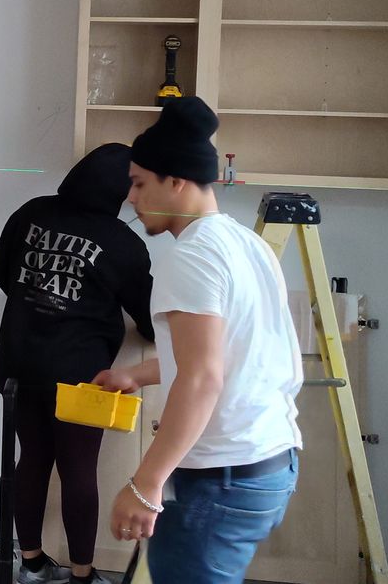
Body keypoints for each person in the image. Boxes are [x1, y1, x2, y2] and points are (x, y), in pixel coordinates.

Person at [98, 97, 304, 583]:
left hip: (221, 479)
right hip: (268, 465)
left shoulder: (190, 257)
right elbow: (229, 354)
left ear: (176, 181)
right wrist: (137, 373)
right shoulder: (244, 243)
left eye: (138, 182)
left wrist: (146, 485)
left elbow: (202, 378)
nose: (130, 197)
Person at [0, 143, 155, 584]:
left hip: (19, 361)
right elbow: (148, 315)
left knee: (33, 460)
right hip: (81, 374)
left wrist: (39, 304)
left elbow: (0, 271)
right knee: (79, 469)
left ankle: (31, 564)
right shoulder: (123, 243)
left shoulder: (31, 212)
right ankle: (82, 575)